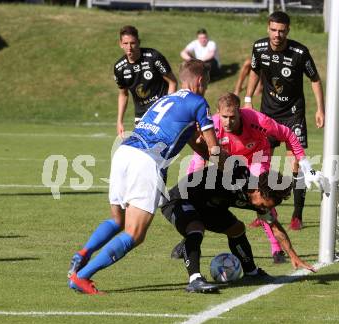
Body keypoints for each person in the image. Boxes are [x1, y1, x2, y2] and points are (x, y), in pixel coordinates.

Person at [68, 60, 226, 295]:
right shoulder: (198, 102)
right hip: (146, 161)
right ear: (201, 81)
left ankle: (82, 254)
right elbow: (213, 150)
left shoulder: (165, 99)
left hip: (123, 153)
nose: (206, 88)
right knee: (135, 234)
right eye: (207, 83)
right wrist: (230, 167)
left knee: (118, 220)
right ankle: (81, 277)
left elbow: (193, 141)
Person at [177, 92, 326, 264]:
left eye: (232, 117)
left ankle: (276, 248)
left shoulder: (258, 120)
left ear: (240, 112)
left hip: (256, 157)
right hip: (228, 159)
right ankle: (189, 239)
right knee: (193, 192)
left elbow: (288, 135)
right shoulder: (212, 126)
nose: (228, 122)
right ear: (218, 113)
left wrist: (306, 166)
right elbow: (201, 152)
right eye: (224, 116)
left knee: (261, 198)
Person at [161, 165, 317, 293]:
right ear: (258, 190)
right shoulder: (236, 177)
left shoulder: (260, 197)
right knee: (196, 228)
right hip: (179, 200)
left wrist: (293, 256)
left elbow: (274, 227)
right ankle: (194, 280)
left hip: (208, 207)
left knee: (237, 228)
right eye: (263, 205)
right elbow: (218, 158)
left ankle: (251, 273)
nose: (262, 209)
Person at [244, 11, 325, 231]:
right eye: (273, 30)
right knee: (259, 163)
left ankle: (297, 215)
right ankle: (264, 212)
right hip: (267, 115)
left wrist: (320, 109)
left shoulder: (300, 52)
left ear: (287, 30)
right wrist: (248, 99)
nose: (277, 34)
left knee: (295, 164)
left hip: (293, 114)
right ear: (268, 28)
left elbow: (315, 80)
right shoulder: (259, 48)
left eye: (281, 31)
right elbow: (253, 71)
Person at [114, 25, 178, 138]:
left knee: (162, 147)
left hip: (161, 111)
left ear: (138, 42)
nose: (129, 47)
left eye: (132, 43)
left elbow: (172, 82)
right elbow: (123, 95)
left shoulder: (153, 57)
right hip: (141, 115)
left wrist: (168, 109)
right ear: (120, 44)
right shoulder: (120, 68)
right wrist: (119, 121)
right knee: (142, 149)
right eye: (125, 43)